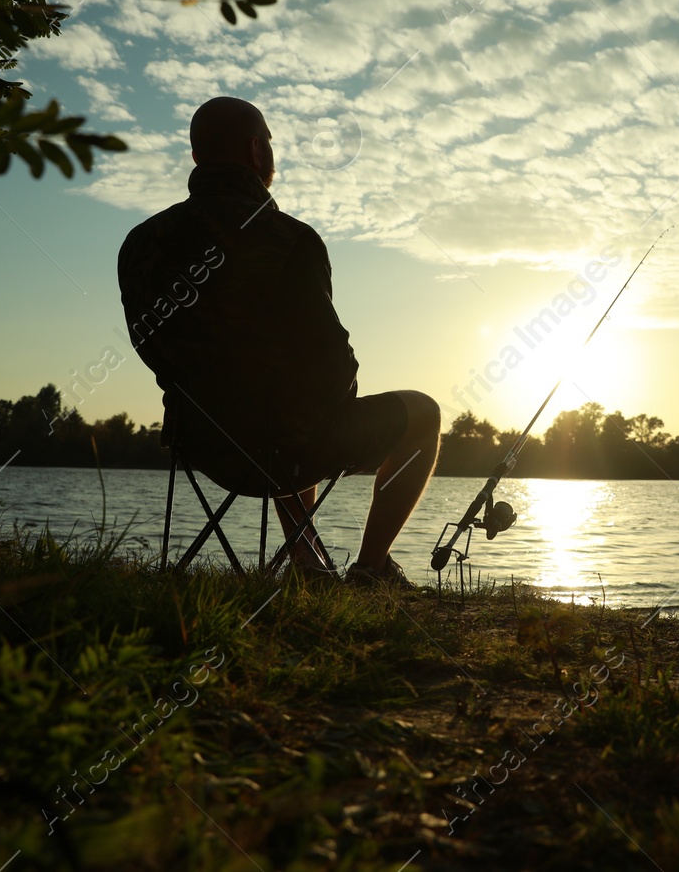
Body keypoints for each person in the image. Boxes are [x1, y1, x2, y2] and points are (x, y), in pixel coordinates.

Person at [118, 96, 440, 587]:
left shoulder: (141, 241)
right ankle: (372, 567)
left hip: (201, 444)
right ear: (255, 150)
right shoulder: (288, 239)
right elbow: (329, 361)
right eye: (269, 141)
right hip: (286, 448)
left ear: (196, 156)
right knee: (422, 414)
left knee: (288, 403)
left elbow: (149, 346)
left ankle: (308, 563)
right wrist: (337, 401)